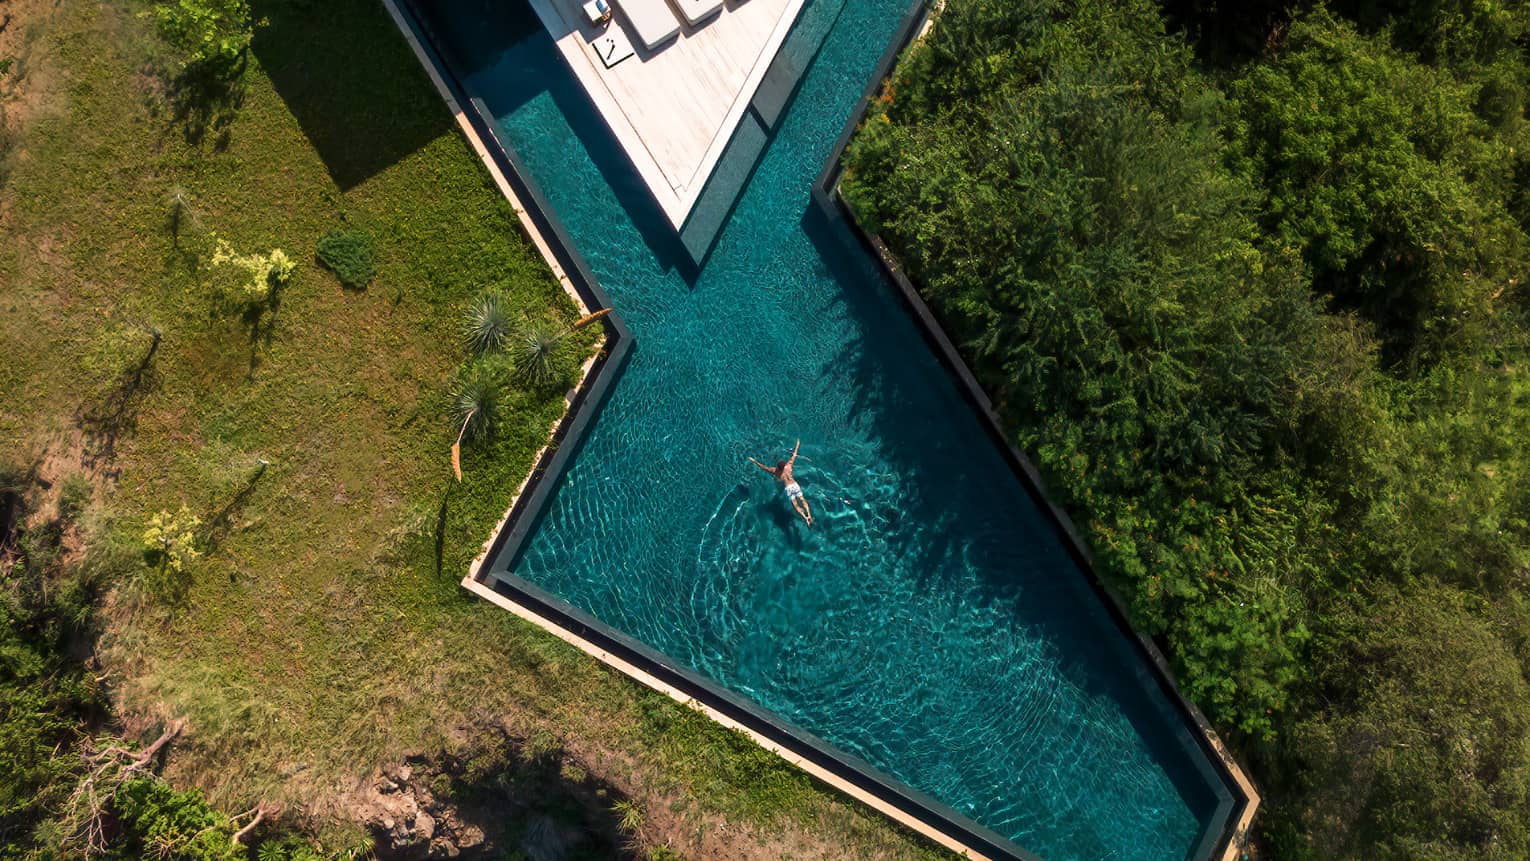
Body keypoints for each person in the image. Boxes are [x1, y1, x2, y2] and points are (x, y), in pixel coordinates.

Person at [750, 439, 813, 526]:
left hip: (788, 488)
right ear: (784, 466)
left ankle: (804, 517)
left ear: (778, 467)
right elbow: (794, 455)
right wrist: (797, 444)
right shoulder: (789, 466)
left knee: (795, 505)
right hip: (795, 485)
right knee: (802, 499)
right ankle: (809, 514)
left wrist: (754, 461)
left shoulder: (775, 471)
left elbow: (763, 467)